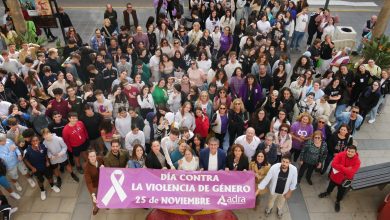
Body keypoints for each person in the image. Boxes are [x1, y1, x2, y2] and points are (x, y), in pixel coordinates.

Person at [318, 145, 361, 212]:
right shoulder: (341, 154)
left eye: (352, 152)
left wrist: (340, 167)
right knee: (330, 187)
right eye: (348, 151)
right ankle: (327, 193)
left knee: (341, 192)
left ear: (355, 153)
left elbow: (352, 172)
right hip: (335, 177)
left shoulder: (357, 162)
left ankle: (338, 201)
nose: (349, 153)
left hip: (344, 181)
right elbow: (333, 164)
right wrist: (346, 169)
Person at [24, 135, 61, 201]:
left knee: (50, 177)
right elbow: (25, 160)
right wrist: (32, 168)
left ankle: (52, 186)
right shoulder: (27, 150)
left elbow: (45, 154)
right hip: (36, 169)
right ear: (31, 142)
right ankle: (42, 191)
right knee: (40, 180)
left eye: (37, 140)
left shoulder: (43, 146)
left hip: (45, 166)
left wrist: (47, 161)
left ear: (39, 141)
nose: (35, 142)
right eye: (33, 141)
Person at [84, 148, 104, 215]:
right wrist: (93, 194)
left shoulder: (99, 159)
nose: (93, 158)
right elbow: (88, 182)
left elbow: (105, 162)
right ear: (88, 157)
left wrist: (104, 166)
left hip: (103, 181)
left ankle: (105, 204)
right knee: (95, 198)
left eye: (94, 156)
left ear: (96, 155)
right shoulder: (87, 167)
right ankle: (96, 207)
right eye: (91, 156)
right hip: (94, 185)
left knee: (104, 194)